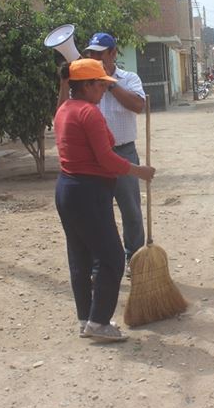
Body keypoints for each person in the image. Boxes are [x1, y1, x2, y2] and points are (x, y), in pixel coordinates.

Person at [54, 58, 156, 342]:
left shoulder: (65, 109)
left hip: (67, 190)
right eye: (100, 85)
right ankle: (99, 323)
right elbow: (107, 159)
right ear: (86, 86)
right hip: (89, 192)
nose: (103, 91)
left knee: (80, 257)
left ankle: (86, 319)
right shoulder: (88, 113)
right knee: (111, 257)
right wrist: (140, 171)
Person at [57, 32, 149, 269]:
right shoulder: (85, 80)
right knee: (100, 213)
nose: (95, 58)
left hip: (123, 151)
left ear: (113, 53)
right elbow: (63, 109)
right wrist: (68, 80)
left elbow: (139, 105)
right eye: (91, 54)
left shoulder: (128, 78)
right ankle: (101, 263)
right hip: (93, 160)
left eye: (99, 54)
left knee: (131, 212)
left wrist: (109, 85)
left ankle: (134, 259)